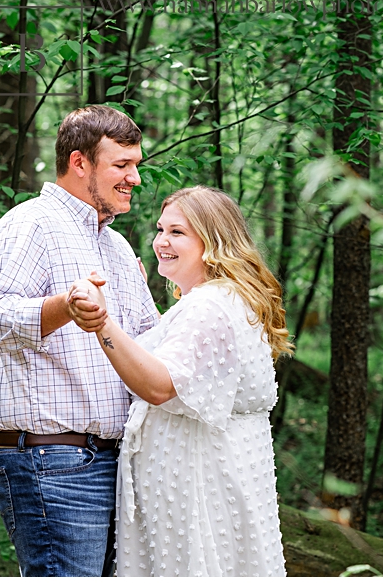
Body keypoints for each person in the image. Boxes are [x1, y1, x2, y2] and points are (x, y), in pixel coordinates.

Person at [66, 186, 291, 576]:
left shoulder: (209, 307)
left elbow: (159, 385)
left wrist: (101, 323)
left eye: (177, 232)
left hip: (197, 490)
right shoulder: (217, 300)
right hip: (215, 482)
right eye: (160, 229)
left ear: (214, 241)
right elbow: (187, 357)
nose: (161, 242)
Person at [0, 105, 160, 576]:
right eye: (122, 165)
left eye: (136, 164)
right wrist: (66, 307)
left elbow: (149, 341)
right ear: (80, 163)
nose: (135, 178)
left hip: (116, 460)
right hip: (50, 459)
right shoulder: (29, 224)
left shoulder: (115, 246)